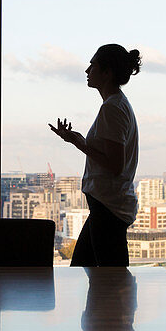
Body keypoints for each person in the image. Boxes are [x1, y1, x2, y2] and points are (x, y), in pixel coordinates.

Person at [50, 44, 141, 267]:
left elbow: (114, 164)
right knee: (86, 268)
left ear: (107, 72)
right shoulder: (117, 105)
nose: (87, 71)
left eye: (92, 65)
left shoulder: (112, 108)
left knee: (111, 280)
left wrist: (80, 143)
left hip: (108, 207)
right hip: (105, 206)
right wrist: (77, 140)